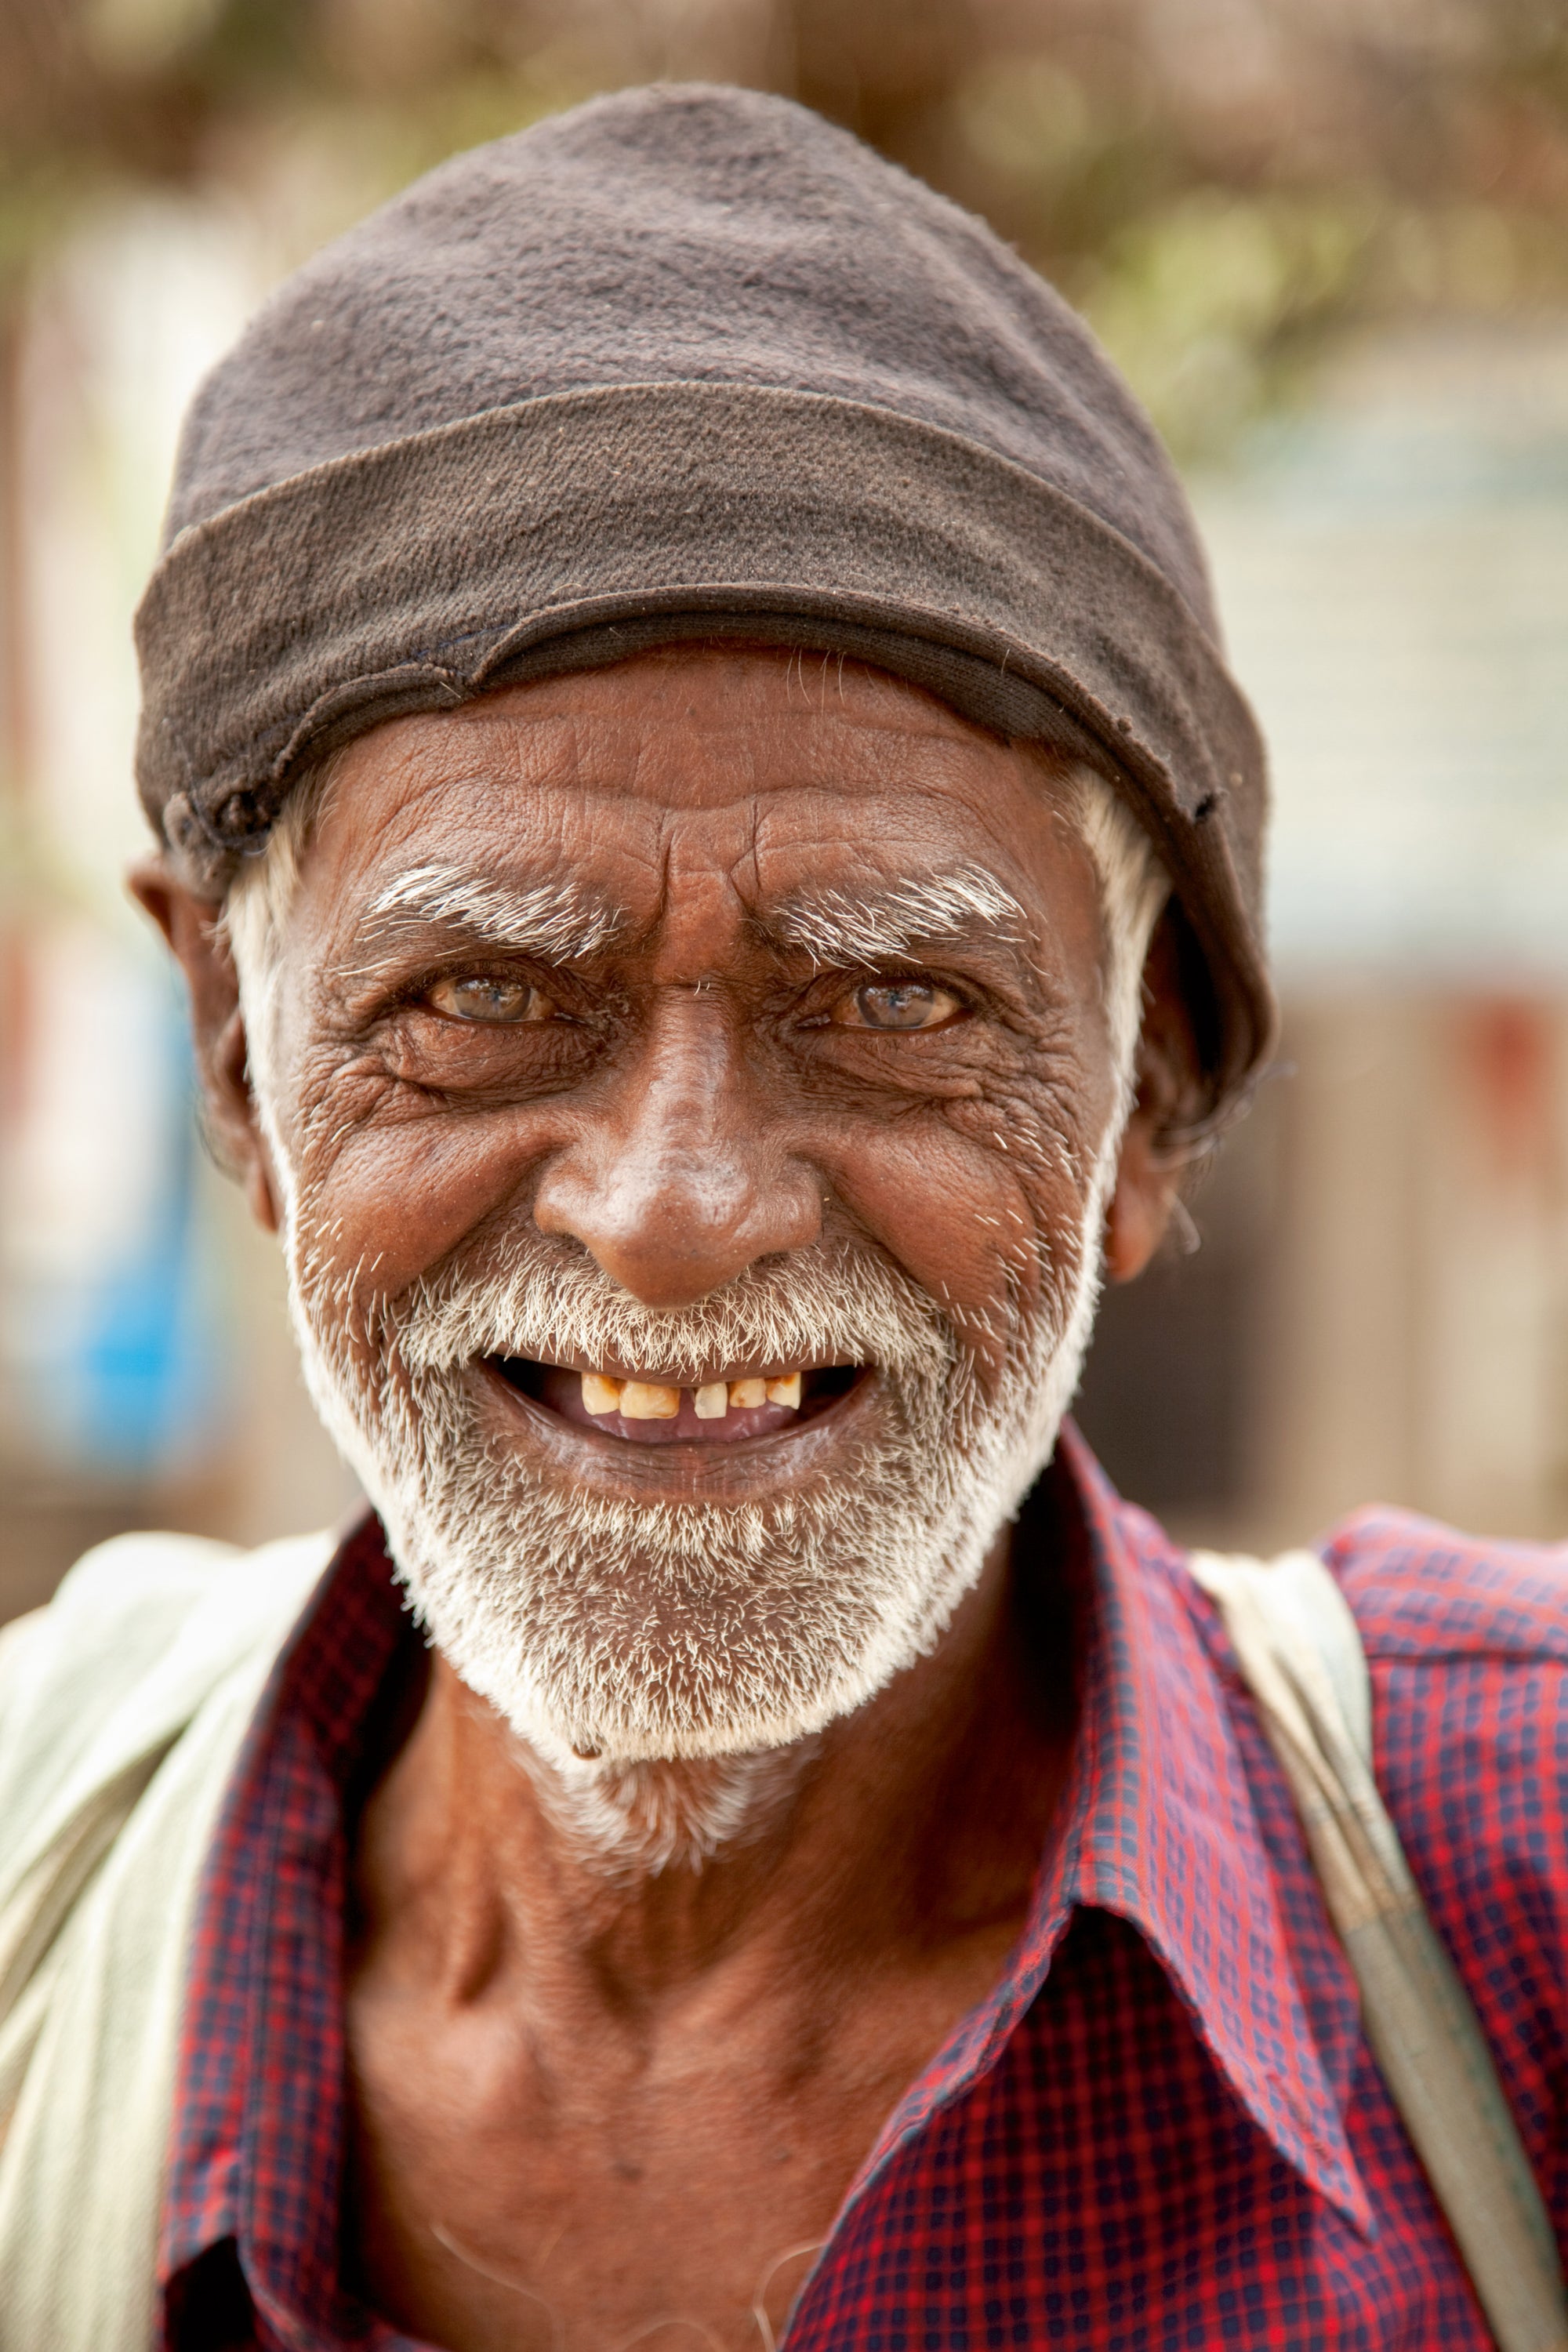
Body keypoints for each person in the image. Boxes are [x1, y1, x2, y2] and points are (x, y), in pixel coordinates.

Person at [2, 82, 1565, 2352]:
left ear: (1148, 1103)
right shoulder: (38, 1905)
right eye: (481, 997)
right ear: (242, 1066)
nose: (671, 1213)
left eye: (900, 998)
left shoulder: (1516, 1884)